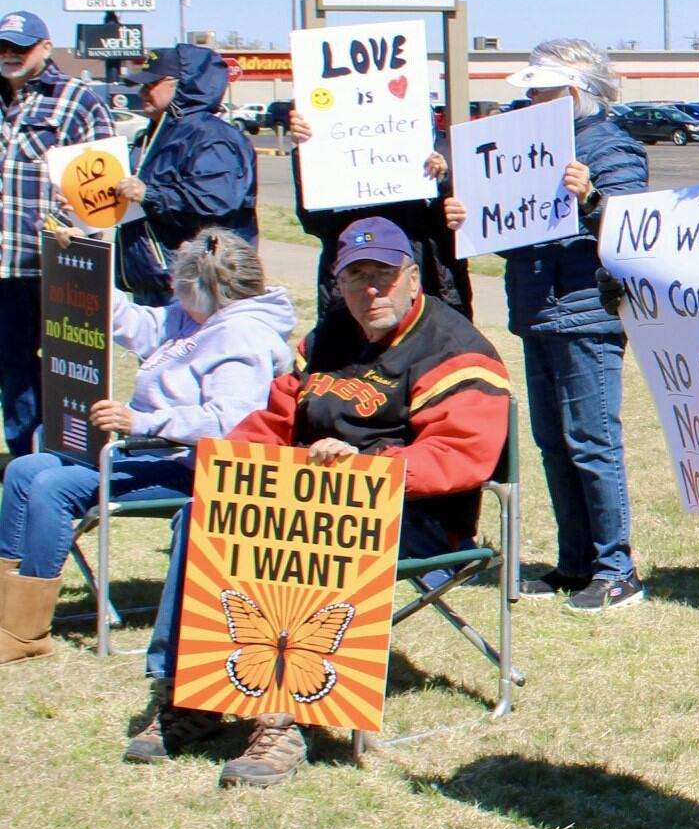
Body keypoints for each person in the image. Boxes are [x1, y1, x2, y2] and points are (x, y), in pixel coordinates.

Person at [134, 217, 512, 786]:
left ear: (413, 278)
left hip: (418, 517)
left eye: (383, 274)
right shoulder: (331, 336)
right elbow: (276, 417)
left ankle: (284, 720)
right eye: (356, 276)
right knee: (203, 510)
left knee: (308, 524)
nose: (371, 290)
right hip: (315, 496)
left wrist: (367, 469)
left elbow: (461, 456)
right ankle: (188, 693)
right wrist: (230, 467)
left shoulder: (457, 350)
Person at [0, 230, 296, 667]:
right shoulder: (194, 316)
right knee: (25, 470)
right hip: (148, 450)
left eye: (180, 286)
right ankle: (9, 605)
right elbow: (136, 324)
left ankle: (25, 632)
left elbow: (230, 422)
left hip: (190, 465)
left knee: (54, 487)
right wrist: (82, 260)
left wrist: (142, 422)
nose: (172, 294)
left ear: (210, 289)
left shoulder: (243, 337)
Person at [440, 40, 648, 613]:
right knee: (553, 443)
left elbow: (633, 230)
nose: (530, 99)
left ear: (575, 92)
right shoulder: (517, 143)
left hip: (584, 312)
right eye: (530, 91)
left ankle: (616, 569)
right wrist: (465, 215)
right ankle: (576, 561)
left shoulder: (611, 148)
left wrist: (592, 199)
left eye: (543, 90)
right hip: (536, 309)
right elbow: (501, 225)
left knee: (592, 440)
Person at [0, 10, 118, 457]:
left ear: (45, 49)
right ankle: (22, 456)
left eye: (20, 47)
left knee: (68, 367)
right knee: (13, 367)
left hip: (58, 262)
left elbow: (107, 190)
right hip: (4, 265)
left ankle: (68, 454)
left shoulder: (77, 99)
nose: (9, 56)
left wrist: (84, 219)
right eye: (3, 48)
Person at [114, 42, 260, 306]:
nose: (143, 92)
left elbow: (215, 200)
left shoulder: (211, 136)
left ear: (181, 84)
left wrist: (149, 194)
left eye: (151, 84)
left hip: (201, 285)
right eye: (142, 85)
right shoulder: (150, 136)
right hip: (154, 281)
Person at [287, 108, 469, 317]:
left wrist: (446, 187)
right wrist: (307, 154)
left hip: (431, 288)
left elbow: (460, 229)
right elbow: (315, 222)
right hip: (354, 298)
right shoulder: (334, 144)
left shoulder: (447, 148)